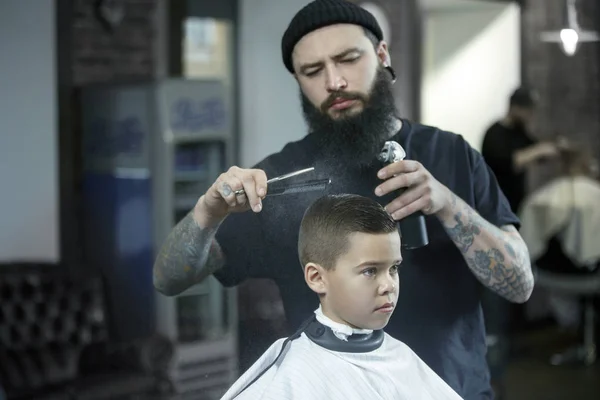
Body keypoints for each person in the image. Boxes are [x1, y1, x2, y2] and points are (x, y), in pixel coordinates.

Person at [153, 1, 534, 398]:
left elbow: (520, 284)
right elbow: (168, 279)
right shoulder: (281, 179)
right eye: (313, 71)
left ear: (381, 55)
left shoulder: (452, 155)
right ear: (299, 83)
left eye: (348, 59)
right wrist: (206, 212)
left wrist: (448, 204)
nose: (334, 81)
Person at [220, 194, 463, 399]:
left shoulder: (402, 359)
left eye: (394, 268)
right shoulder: (294, 376)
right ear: (317, 278)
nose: (388, 285)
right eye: (370, 271)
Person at [481, 87, 559, 213]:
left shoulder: (519, 132)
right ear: (515, 108)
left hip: (516, 204)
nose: (530, 115)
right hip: (495, 206)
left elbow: (534, 147)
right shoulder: (494, 134)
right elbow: (508, 162)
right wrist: (539, 150)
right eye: (527, 110)